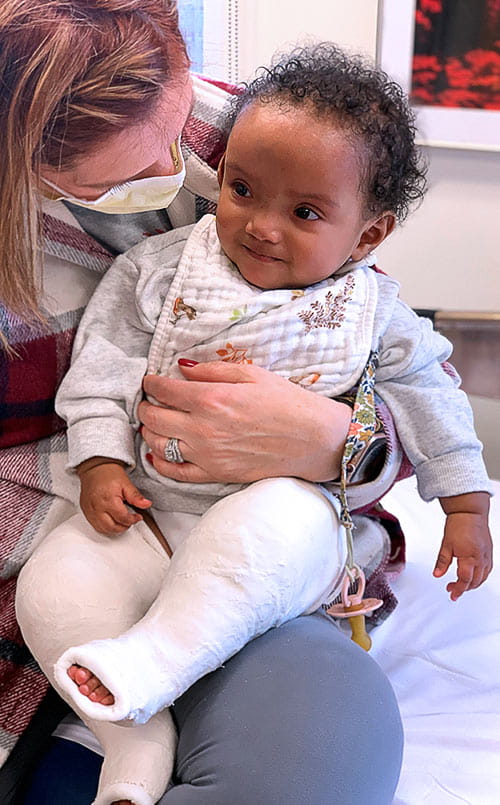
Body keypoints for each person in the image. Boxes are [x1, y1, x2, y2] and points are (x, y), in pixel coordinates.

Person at [17, 36, 494, 805]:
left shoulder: (375, 309)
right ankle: (132, 752)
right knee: (55, 584)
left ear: (368, 234)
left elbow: (433, 400)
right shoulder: (167, 264)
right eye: (241, 190)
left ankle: (157, 661)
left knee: (275, 519)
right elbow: (101, 367)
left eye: (304, 212)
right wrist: (101, 460)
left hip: (276, 530)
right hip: (147, 513)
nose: (260, 226)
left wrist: (465, 503)